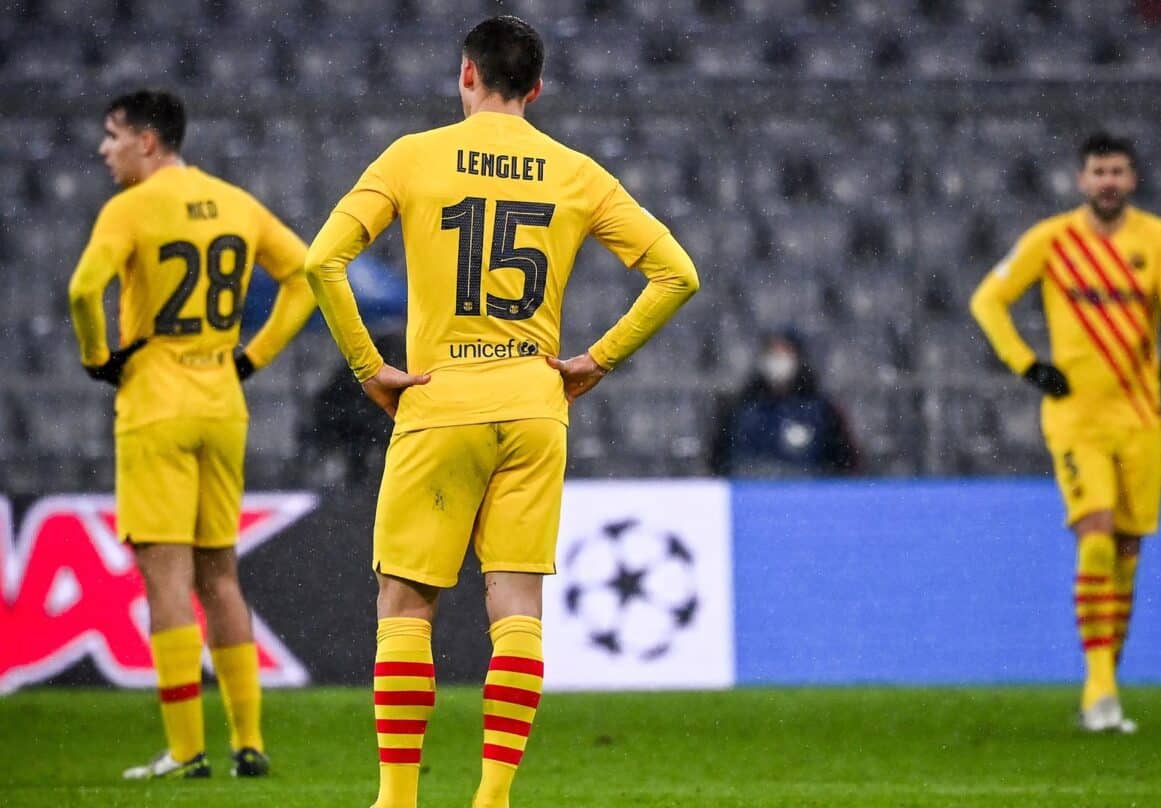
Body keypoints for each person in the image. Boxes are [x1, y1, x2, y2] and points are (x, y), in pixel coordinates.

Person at [302, 16, 699, 808]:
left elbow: (323, 260)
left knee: (406, 601)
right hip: (533, 400)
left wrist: (368, 367)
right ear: (538, 87)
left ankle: (397, 798)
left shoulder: (413, 157)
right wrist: (598, 358)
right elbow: (676, 273)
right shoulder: (575, 171)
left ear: (465, 75)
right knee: (515, 605)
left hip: (439, 397)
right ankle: (493, 798)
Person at [66, 89, 315, 779]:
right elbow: (308, 276)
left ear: (148, 141)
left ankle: (185, 750)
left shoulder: (129, 210)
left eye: (113, 135)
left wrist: (96, 359)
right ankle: (249, 741)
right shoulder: (235, 202)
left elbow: (84, 290)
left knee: (167, 583)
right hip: (222, 401)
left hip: (156, 404)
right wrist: (252, 357)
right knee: (222, 578)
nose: (104, 149)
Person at [970, 132, 1161, 732]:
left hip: (1141, 419)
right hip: (1077, 422)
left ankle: (1104, 687)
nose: (1108, 181)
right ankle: (1100, 692)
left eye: (1118, 171)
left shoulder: (1158, 239)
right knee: (1095, 537)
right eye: (1098, 171)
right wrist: (1029, 365)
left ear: (1133, 179)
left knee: (1126, 554)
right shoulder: (1051, 240)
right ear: (1081, 180)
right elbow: (987, 301)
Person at [708, 330, 860, 477]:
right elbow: (718, 462)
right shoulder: (739, 410)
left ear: (798, 358)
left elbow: (844, 464)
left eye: (784, 353)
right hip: (750, 497)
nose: (778, 360)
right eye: (772, 354)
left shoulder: (823, 411)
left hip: (807, 497)